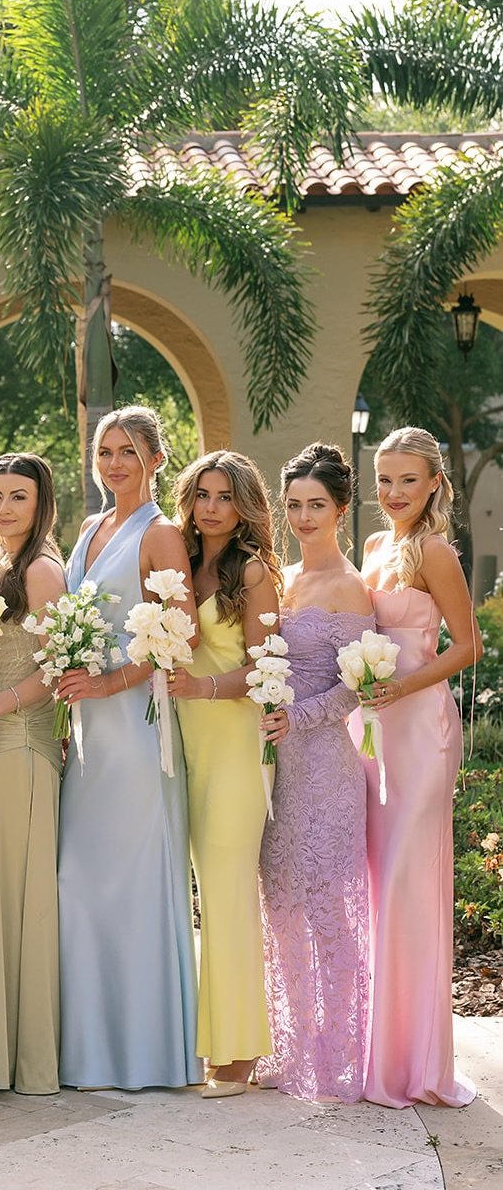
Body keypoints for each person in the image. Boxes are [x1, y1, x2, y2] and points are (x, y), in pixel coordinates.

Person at [56, 405, 201, 1091]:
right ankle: (87, 1048)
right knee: (79, 879)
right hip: (88, 730)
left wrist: (109, 677)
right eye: (104, 450)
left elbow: (182, 634)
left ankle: (146, 1050)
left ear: (155, 460)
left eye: (127, 451)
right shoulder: (88, 528)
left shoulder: (162, 533)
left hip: (137, 728)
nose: (113, 462)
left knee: (136, 880)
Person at [357, 426, 478, 1107]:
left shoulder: (436, 550)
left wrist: (402, 687)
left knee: (407, 876)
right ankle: (378, 1047)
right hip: (372, 727)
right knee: (378, 879)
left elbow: (469, 647)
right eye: (385, 479)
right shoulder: (374, 548)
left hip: (420, 729)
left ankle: (415, 1063)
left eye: (408, 479)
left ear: (434, 481)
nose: (395, 492)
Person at [256, 442, 372, 1103]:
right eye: (294, 503)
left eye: (316, 505)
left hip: (326, 768)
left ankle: (339, 1055)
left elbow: (355, 688)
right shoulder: (282, 580)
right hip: (275, 774)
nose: (302, 516)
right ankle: (294, 1044)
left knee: (327, 912)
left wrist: (295, 718)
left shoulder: (349, 587)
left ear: (340, 508)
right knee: (282, 907)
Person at [169, 451, 280, 1097]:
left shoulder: (254, 570)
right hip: (185, 740)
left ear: (243, 505)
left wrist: (204, 685)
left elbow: (267, 668)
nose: (211, 506)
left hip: (236, 744)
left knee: (228, 892)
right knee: (199, 896)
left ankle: (239, 1053)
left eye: (223, 496)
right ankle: (210, 1038)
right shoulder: (180, 565)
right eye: (201, 494)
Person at [0, 451, 64, 1095]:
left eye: (17, 496)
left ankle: (26, 1061)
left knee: (19, 904)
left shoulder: (43, 570)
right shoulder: (0, 565)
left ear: (40, 503)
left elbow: (59, 669)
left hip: (21, 748)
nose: (3, 507)